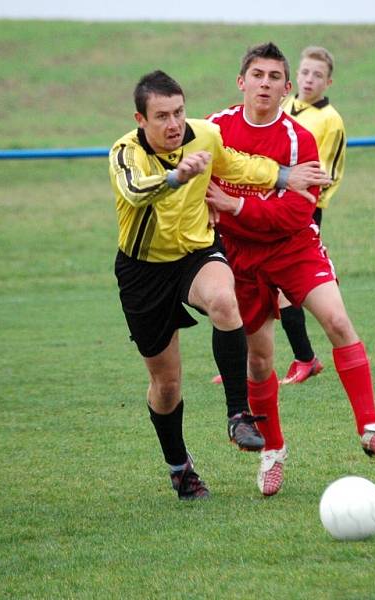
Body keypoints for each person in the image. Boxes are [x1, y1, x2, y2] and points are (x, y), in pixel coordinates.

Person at [108, 70, 330, 500]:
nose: (174, 125)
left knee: (225, 301)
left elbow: (238, 165)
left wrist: (287, 177)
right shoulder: (124, 152)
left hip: (195, 254)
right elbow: (135, 191)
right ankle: (180, 468)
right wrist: (177, 177)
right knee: (167, 384)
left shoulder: (205, 135)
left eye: (179, 112)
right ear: (140, 119)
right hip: (143, 270)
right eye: (161, 117)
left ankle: (238, 414)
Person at [205, 43, 375, 498]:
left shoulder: (299, 139)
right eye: (257, 75)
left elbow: (295, 215)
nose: (265, 84)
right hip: (239, 256)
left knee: (337, 320)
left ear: (287, 88)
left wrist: (235, 205)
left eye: (275, 77)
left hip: (294, 247)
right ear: (242, 82)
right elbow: (201, 181)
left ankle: (370, 429)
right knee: (259, 360)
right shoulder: (215, 130)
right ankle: (273, 453)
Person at [275, 45, 347, 385]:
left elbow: (327, 173)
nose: (309, 79)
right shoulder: (284, 106)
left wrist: (309, 210)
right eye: (304, 72)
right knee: (252, 280)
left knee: (285, 285)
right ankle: (245, 362)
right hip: (271, 204)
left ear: (328, 82)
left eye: (317, 75)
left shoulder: (330, 121)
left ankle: (305, 358)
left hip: (303, 210)